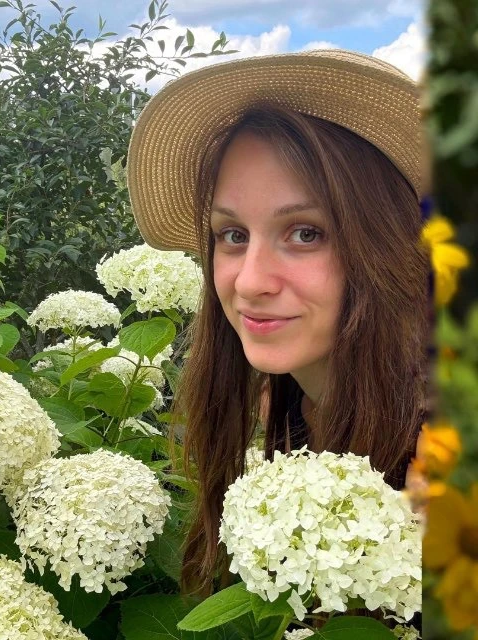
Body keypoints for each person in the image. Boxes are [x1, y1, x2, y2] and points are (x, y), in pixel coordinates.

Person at [126, 50, 430, 596]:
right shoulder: (288, 403)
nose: (249, 282)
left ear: (388, 247)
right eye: (233, 235)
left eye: (305, 233)